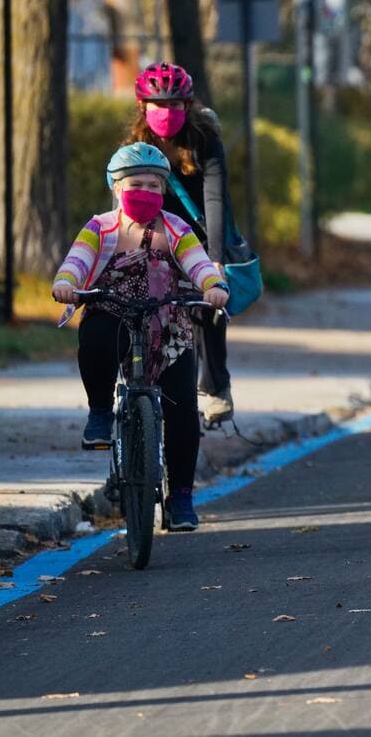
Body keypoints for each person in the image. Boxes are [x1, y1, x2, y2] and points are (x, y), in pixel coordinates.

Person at [51, 143, 229, 531]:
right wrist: (66, 283)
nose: (145, 192)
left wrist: (213, 285)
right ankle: (99, 412)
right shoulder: (100, 227)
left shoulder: (177, 229)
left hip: (168, 322)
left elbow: (198, 264)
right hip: (113, 310)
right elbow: (77, 262)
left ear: (163, 190)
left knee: (182, 408)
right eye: (135, 184)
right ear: (116, 188)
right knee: (94, 339)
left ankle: (181, 497)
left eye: (153, 185)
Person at [125, 62, 235, 425]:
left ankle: (216, 386)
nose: (167, 113)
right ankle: (136, 381)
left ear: (188, 107)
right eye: (159, 105)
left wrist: (215, 259)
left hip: (199, 237)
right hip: (155, 232)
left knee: (208, 304)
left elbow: (216, 201)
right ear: (143, 107)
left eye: (175, 105)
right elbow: (122, 202)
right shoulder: (135, 146)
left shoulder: (205, 141)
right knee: (138, 301)